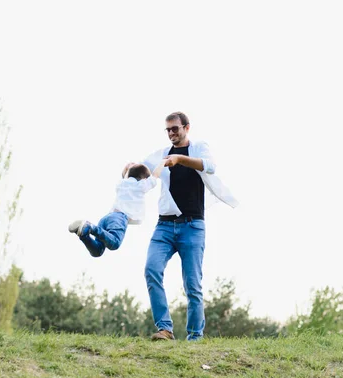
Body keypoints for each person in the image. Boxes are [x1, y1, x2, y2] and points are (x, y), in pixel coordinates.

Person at [138, 111, 238, 341]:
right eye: (168, 130)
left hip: (192, 226)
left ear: (186, 128)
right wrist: (131, 168)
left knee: (192, 283)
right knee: (151, 270)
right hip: (164, 226)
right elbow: (144, 169)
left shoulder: (198, 148)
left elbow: (210, 166)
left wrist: (180, 160)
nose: (172, 133)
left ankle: (195, 337)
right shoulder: (162, 154)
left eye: (176, 128)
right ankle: (165, 328)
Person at [68, 161, 165, 257]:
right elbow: (155, 176)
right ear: (144, 179)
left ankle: (83, 234)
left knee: (97, 251)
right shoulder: (141, 186)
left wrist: (130, 168)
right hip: (119, 218)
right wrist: (163, 162)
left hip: (107, 218)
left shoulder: (121, 184)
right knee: (115, 243)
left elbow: (127, 176)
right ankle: (89, 227)